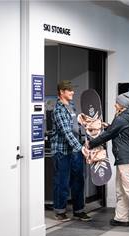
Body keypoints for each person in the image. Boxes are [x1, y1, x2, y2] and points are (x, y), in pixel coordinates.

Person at [85, 91, 129, 231]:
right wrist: (103, 125)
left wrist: (90, 144)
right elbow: (112, 129)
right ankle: (121, 218)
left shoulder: (121, 119)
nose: (114, 105)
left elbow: (108, 134)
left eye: (116, 103)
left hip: (125, 157)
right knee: (120, 189)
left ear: (122, 106)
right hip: (124, 157)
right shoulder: (124, 117)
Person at [51, 80, 92, 222]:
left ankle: (79, 210)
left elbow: (77, 127)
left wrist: (85, 141)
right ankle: (60, 211)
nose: (73, 92)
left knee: (78, 180)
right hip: (62, 152)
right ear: (62, 92)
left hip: (75, 150)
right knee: (62, 182)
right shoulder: (58, 110)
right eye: (69, 90)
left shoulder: (72, 106)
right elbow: (66, 132)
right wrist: (80, 147)